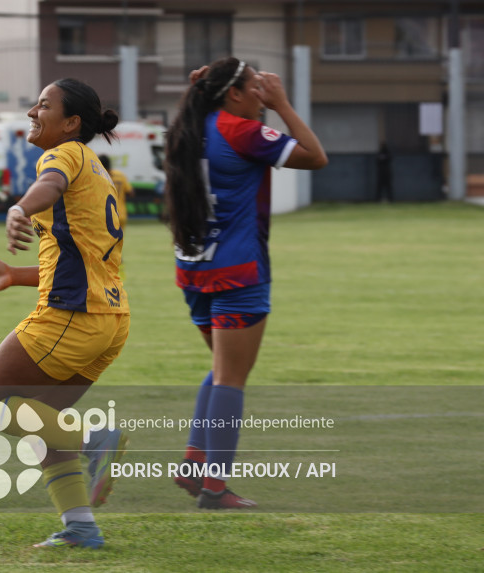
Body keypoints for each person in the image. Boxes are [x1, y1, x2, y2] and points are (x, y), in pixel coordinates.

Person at [0, 78, 129, 549]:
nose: (31, 114)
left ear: (71, 123)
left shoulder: (65, 154)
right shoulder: (97, 169)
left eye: (43, 106)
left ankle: (96, 438)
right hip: (109, 320)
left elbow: (48, 182)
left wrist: (20, 207)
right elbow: (73, 261)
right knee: (43, 421)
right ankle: (80, 526)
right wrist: (13, 276)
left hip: (71, 319)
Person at [164, 57, 327, 509]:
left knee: (221, 369)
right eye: (257, 86)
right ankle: (215, 487)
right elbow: (315, 156)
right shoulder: (240, 131)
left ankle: (196, 462)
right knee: (232, 378)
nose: (263, 92)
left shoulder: (188, 129)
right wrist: (283, 105)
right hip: (238, 272)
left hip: (193, 270)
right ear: (233, 93)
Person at [97, 154, 133, 230]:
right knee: (119, 241)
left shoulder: (97, 176)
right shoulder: (120, 175)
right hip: (121, 214)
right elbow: (131, 193)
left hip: (104, 215)